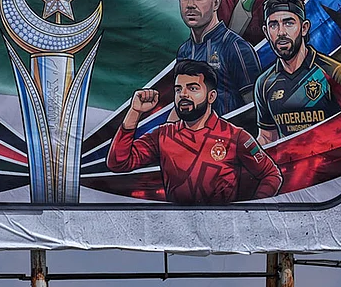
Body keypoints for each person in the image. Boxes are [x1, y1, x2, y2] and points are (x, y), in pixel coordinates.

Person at [107, 59, 282, 204]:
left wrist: (247, 212)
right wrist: (135, 112)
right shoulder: (163, 135)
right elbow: (118, 163)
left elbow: (271, 175)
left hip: (222, 231)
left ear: (211, 96)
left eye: (192, 88)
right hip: (177, 230)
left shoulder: (236, 136)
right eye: (178, 89)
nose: (183, 94)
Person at [255, 0, 341, 145]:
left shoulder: (335, 73)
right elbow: (267, 138)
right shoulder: (264, 83)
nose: (281, 32)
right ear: (266, 32)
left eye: (289, 23)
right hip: (289, 160)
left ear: (304, 28)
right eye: (273, 25)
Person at [175, 0, 260, 116]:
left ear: (216, 3)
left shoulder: (236, 47)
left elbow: (255, 109)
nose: (190, 4)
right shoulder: (184, 51)